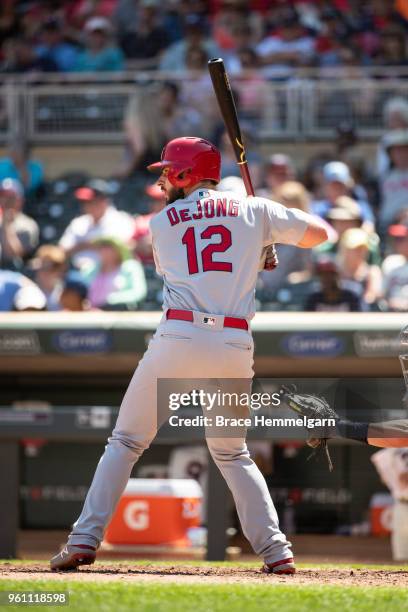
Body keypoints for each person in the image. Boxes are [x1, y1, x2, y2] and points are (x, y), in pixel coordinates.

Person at [50, 136, 328, 574]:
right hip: (234, 344)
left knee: (125, 441)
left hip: (178, 336)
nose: (162, 180)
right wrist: (265, 236)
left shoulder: (161, 224)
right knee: (232, 453)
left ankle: (84, 539)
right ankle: (276, 551)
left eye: (167, 171)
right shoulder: (254, 208)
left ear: (186, 174)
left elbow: (193, 264)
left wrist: (255, 248)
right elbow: (321, 234)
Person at [58, 179, 135, 269]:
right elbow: (61, 251)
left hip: (110, 274)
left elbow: (122, 249)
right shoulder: (78, 222)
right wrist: (91, 245)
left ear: (104, 201)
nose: (86, 205)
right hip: (76, 274)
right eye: (84, 202)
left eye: (91, 201)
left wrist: (82, 245)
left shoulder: (121, 220)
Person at [84, 237, 147, 310]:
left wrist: (109, 300)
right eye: (101, 247)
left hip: (121, 313)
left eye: (108, 247)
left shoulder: (131, 267)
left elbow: (139, 293)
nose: (103, 250)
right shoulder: (90, 269)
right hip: (91, 314)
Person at [0, 178, 39, 271]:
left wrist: (7, 225)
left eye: (11, 197)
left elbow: (12, 255)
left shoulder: (27, 224)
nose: (6, 200)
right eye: (2, 196)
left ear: (20, 200)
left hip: (13, 272)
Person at [380, 130, 408, 233]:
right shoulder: (385, 176)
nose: (400, 154)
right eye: (396, 151)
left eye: (404, 150)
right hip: (386, 225)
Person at [29, 245, 67, 311]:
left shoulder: (67, 292)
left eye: (53, 266)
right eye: (43, 265)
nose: (46, 271)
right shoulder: (30, 292)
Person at [382, 218, 408, 312]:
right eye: (396, 239)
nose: (397, 242)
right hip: (392, 315)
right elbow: (382, 295)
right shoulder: (391, 262)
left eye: (402, 239)